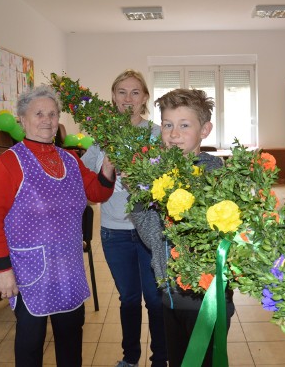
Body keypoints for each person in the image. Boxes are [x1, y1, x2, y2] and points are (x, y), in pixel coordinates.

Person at [0, 85, 116, 367]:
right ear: (21, 118)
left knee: (71, 339)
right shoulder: (8, 163)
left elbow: (97, 193)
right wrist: (2, 271)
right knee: (31, 344)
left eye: (52, 114)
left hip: (68, 268)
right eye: (39, 113)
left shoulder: (69, 159)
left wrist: (107, 169)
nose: (47, 120)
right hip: (30, 271)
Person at [130, 88, 235, 367]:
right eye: (167, 125)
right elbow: (151, 237)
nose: (174, 134)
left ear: (205, 130)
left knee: (207, 360)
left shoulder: (217, 176)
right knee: (177, 360)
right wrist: (139, 198)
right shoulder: (156, 174)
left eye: (184, 125)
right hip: (170, 296)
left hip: (209, 298)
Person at [81, 70, 167, 367]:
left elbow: (169, 182)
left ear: (145, 97)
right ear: (113, 97)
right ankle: (130, 358)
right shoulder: (101, 136)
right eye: (121, 92)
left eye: (134, 92)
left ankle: (160, 359)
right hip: (113, 232)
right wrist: (105, 169)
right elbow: (87, 186)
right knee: (129, 299)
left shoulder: (157, 134)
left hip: (150, 231)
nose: (128, 98)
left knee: (155, 300)